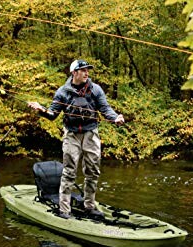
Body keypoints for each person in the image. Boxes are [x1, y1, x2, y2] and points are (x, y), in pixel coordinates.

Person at [28, 59, 124, 219]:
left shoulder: (95, 90)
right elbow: (52, 114)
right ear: (74, 73)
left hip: (91, 134)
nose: (87, 73)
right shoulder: (62, 92)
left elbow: (105, 109)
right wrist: (41, 110)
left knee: (93, 171)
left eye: (88, 70)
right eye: (83, 70)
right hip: (71, 135)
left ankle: (89, 206)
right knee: (69, 172)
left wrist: (115, 118)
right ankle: (64, 210)